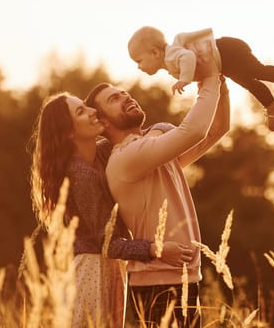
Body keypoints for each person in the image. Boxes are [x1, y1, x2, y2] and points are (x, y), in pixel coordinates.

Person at [85, 45, 230, 327]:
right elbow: (195, 130)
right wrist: (209, 77)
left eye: (124, 92)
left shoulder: (152, 148)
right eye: (115, 99)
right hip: (159, 284)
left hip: (181, 278)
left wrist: (218, 82)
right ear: (102, 123)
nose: (126, 96)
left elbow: (216, 130)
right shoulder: (126, 157)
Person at [29, 92, 194, 327]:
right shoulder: (81, 175)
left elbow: (145, 134)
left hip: (108, 270)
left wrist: (157, 130)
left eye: (87, 107)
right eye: (81, 112)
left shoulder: (103, 153)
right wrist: (157, 249)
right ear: (69, 132)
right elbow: (109, 244)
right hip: (92, 272)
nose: (93, 111)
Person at [127, 26, 274, 131]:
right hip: (225, 60)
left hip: (227, 51)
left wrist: (185, 79)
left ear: (155, 52)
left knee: (256, 71)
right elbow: (199, 64)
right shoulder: (171, 59)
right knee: (248, 82)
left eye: (139, 61)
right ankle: (272, 105)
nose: (138, 67)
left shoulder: (171, 55)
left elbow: (188, 58)